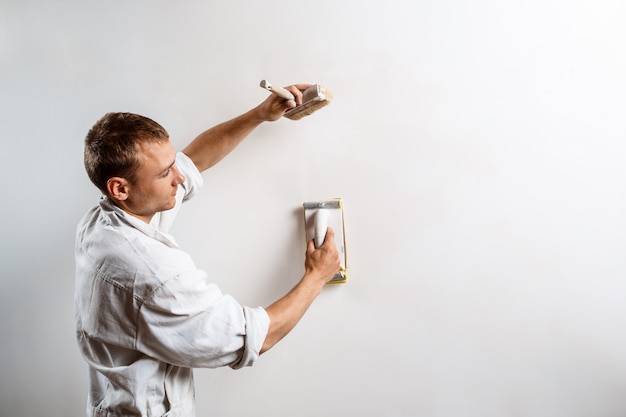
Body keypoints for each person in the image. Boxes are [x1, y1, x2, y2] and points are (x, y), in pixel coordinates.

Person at [74, 83, 341, 417]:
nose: (179, 179)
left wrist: (260, 114)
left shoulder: (102, 220)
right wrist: (317, 276)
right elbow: (258, 336)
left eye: (171, 164)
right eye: (165, 173)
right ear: (120, 188)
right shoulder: (151, 274)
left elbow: (194, 160)